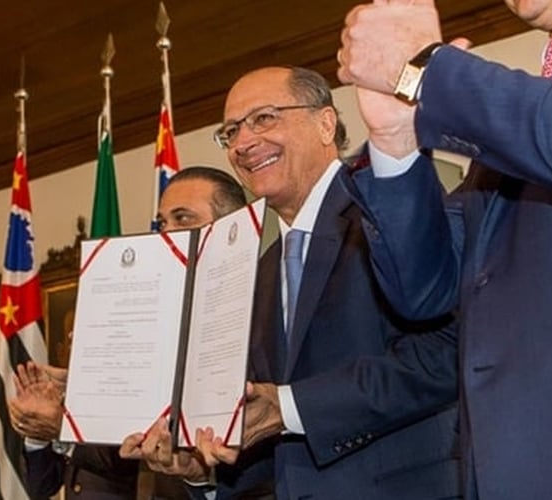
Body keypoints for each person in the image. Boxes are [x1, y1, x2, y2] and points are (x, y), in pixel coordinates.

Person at [127, 66, 462, 500]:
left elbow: (443, 355)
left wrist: (288, 408)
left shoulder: (388, 209)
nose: (243, 143)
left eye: (264, 118)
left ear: (326, 124)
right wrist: (200, 471)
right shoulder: (256, 271)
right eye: (231, 132)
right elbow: (271, 432)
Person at [336, 0, 552, 498]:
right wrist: (396, 143)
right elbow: (425, 288)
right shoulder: (525, 108)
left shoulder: (534, 110)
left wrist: (426, 68)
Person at [8, 165, 248, 499]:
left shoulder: (240, 321)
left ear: (228, 227)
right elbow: (46, 485)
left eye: (183, 219)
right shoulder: (142, 311)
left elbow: (144, 451)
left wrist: (64, 425)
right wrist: (59, 413)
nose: (167, 232)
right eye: (162, 222)